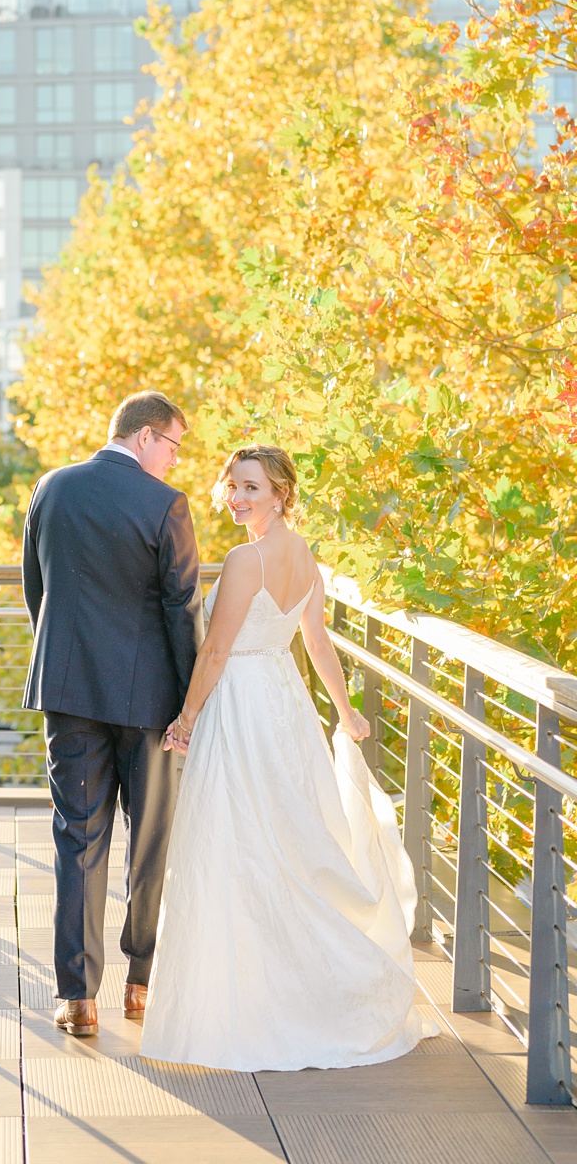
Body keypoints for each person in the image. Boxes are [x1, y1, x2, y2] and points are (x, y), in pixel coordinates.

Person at [142, 445, 434, 1070]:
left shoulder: (246, 559)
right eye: (232, 486)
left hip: (244, 706)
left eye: (251, 486)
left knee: (237, 842)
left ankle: (252, 1003)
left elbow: (216, 652)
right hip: (285, 703)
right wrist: (344, 710)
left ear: (279, 493)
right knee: (285, 843)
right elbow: (317, 643)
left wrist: (186, 718)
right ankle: (290, 986)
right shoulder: (305, 557)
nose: (237, 497)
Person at [22, 390, 201, 1038]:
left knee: (78, 841)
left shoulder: (52, 489)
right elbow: (183, 610)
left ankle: (77, 998)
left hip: (69, 695)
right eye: (175, 446)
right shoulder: (165, 505)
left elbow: (34, 591)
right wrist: (192, 705)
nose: (174, 461)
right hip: (150, 702)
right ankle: (140, 985)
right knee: (148, 844)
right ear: (149, 436)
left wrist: (67, 662)